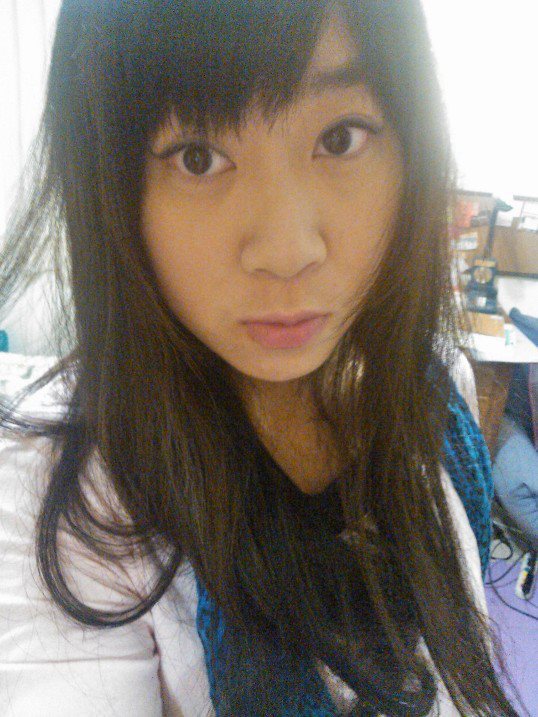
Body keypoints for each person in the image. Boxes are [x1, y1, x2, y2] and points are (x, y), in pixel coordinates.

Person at [0, 1, 527, 715]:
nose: (288, 251)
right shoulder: (57, 489)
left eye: (340, 137)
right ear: (109, 186)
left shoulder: (432, 394)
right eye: (197, 157)